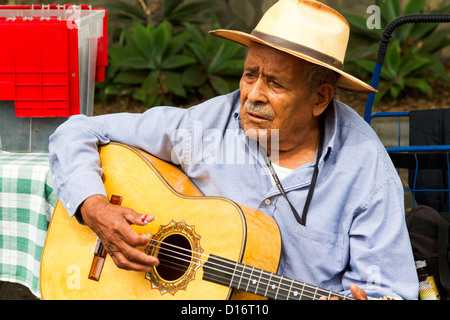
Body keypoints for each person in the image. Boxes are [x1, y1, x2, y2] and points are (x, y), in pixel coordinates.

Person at [49, 0, 419, 300]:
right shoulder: (208, 126)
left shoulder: (365, 170)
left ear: (320, 98)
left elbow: (390, 291)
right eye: (249, 74)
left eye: (275, 83)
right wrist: (94, 208)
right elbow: (79, 130)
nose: (252, 96)